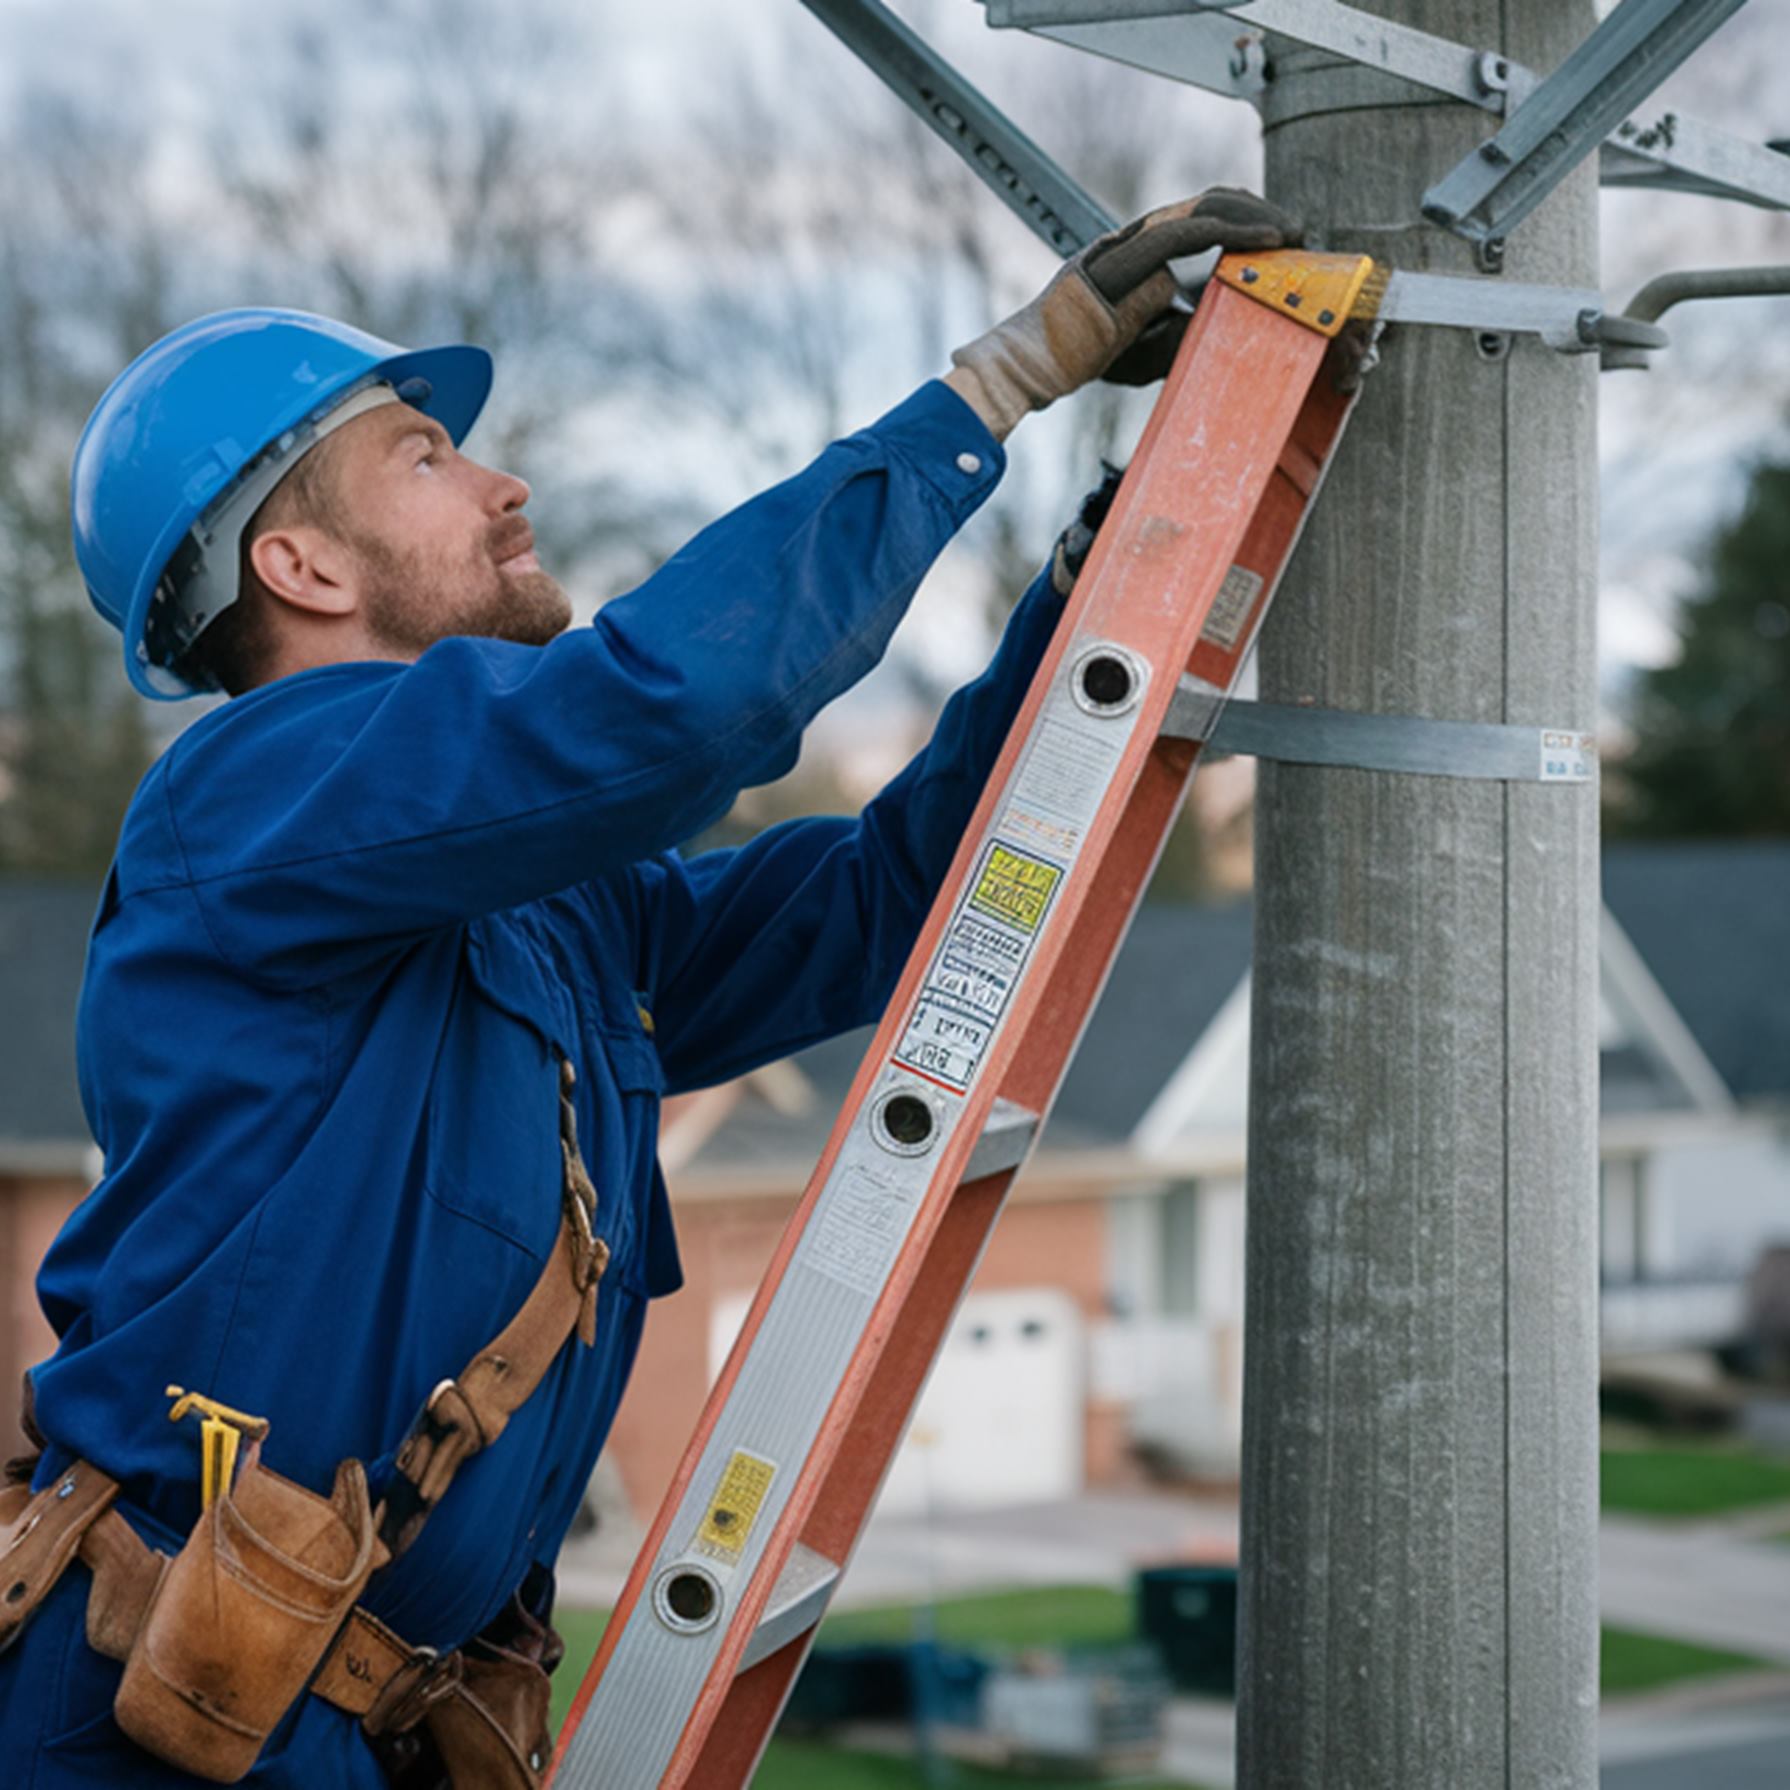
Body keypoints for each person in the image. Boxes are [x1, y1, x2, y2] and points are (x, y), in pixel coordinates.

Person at [0, 188, 1294, 1786]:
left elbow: (877, 900)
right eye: (425, 455)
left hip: (352, 1716)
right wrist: (998, 385)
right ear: (298, 560)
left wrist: (1090, 593)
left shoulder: (548, 909)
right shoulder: (244, 799)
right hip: (162, 1713)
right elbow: (673, 706)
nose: (501, 482)